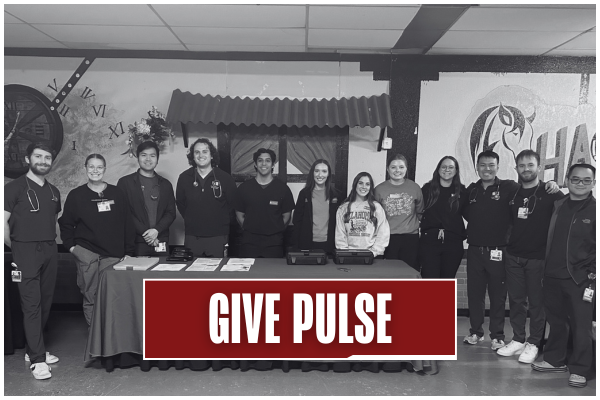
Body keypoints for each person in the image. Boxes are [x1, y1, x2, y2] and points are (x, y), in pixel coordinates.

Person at [462, 150, 558, 351]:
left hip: (500, 251)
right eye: (483, 165)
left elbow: (532, 190)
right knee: (475, 294)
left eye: (491, 165)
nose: (487, 169)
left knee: (498, 295)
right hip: (474, 250)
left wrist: (552, 184)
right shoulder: (470, 191)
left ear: (498, 167)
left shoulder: (509, 188)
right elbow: (465, 212)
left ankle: (497, 336)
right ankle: (475, 332)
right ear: (477, 167)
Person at [497, 150, 564, 363]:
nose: (526, 169)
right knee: (516, 301)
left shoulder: (551, 192)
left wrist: (555, 184)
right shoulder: (513, 194)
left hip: (538, 259)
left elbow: (568, 210)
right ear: (516, 168)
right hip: (514, 256)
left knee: (537, 303)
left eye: (531, 165)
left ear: (538, 167)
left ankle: (534, 342)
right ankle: (518, 339)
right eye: (522, 165)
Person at [532, 163, 596, 389]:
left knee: (581, 326)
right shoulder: (558, 204)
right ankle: (554, 359)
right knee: (557, 322)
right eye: (575, 179)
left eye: (586, 180)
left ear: (594, 183)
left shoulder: (595, 210)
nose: (580, 184)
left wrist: (592, 273)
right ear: (567, 180)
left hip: (580, 279)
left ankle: (580, 369)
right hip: (552, 275)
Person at [4, 143, 61, 380]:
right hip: (24, 250)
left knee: (45, 301)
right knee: (31, 304)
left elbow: (53, 221)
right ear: (28, 159)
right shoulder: (13, 188)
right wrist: (17, 249)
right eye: (38, 156)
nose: (43, 161)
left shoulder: (54, 191)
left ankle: (32, 349)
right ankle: (37, 360)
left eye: (47, 157)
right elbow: (2, 224)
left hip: (50, 248)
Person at [59, 154, 135, 326]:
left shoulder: (117, 193)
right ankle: (96, 343)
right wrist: (72, 248)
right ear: (85, 168)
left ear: (105, 169)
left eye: (99, 167)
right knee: (91, 296)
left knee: (113, 297)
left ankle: (111, 338)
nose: (95, 170)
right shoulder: (76, 195)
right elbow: (65, 224)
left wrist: (129, 252)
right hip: (87, 254)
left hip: (113, 255)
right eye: (91, 167)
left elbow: (127, 223)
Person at [176, 138, 238, 257]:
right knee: (192, 273)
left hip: (218, 236)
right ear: (192, 156)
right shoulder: (184, 178)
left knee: (217, 273)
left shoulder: (225, 178)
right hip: (192, 236)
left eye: (205, 151)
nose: (201, 155)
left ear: (212, 155)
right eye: (197, 152)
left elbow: (232, 206)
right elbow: (181, 204)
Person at [117, 141, 176, 256]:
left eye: (152, 156)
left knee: (161, 273)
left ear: (157, 159)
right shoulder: (125, 183)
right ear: (137, 158)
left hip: (160, 240)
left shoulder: (165, 184)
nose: (148, 159)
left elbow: (171, 213)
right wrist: (147, 234)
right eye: (144, 155)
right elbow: (124, 213)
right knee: (138, 274)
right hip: (136, 241)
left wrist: (156, 230)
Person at [235, 148, 295, 258]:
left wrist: (275, 230)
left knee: (272, 274)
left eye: (267, 160)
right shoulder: (244, 188)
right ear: (255, 164)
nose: (264, 164)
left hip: (274, 244)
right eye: (260, 160)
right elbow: (239, 214)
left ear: (272, 165)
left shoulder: (283, 189)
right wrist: (251, 229)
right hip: (249, 243)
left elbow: (286, 216)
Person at [419, 156, 467, 279]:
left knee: (447, 280)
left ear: (456, 170)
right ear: (438, 169)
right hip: (429, 242)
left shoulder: (461, 191)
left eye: (451, 167)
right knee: (429, 280)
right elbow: (417, 211)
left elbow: (470, 214)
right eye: (444, 166)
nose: (447, 170)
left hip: (453, 243)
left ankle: (444, 299)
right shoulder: (427, 189)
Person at [374, 154, 423, 270]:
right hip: (388, 237)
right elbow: (375, 216)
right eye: (393, 167)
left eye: (401, 167)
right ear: (387, 169)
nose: (397, 170)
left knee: (409, 271)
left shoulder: (415, 188)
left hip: (410, 238)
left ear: (406, 169)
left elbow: (420, 212)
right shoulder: (379, 189)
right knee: (389, 272)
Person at [292, 159, 343, 254]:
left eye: (324, 171)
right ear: (312, 173)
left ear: (328, 174)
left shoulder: (336, 195)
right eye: (317, 171)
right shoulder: (304, 194)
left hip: (330, 244)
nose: (320, 175)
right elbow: (297, 220)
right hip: (307, 243)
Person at [335, 172, 390, 256]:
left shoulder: (376, 207)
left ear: (370, 187)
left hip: (371, 255)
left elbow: (383, 232)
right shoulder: (343, 208)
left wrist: (374, 251)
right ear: (355, 185)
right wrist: (345, 252)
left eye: (367, 184)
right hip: (348, 255)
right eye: (360, 183)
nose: (364, 187)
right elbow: (340, 233)